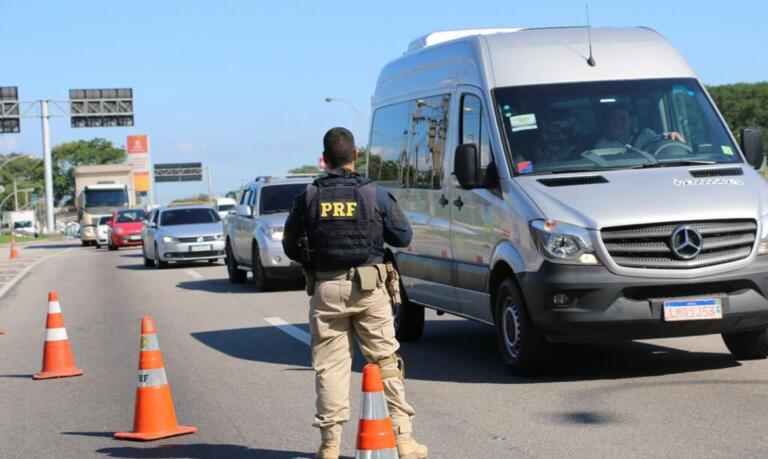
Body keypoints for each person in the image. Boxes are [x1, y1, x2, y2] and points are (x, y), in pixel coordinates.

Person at [283, 127, 428, 459]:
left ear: (324, 159)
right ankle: (404, 441)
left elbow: (290, 246)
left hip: (326, 287)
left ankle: (330, 446)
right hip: (369, 287)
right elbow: (403, 236)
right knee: (386, 361)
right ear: (356, 156)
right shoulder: (373, 194)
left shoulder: (308, 196)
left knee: (330, 368)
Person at [596, 103, 685, 150]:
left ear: (631, 121)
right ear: (609, 123)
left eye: (622, 119)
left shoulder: (646, 135)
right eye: (614, 120)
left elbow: (662, 143)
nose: (618, 123)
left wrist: (672, 135)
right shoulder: (602, 146)